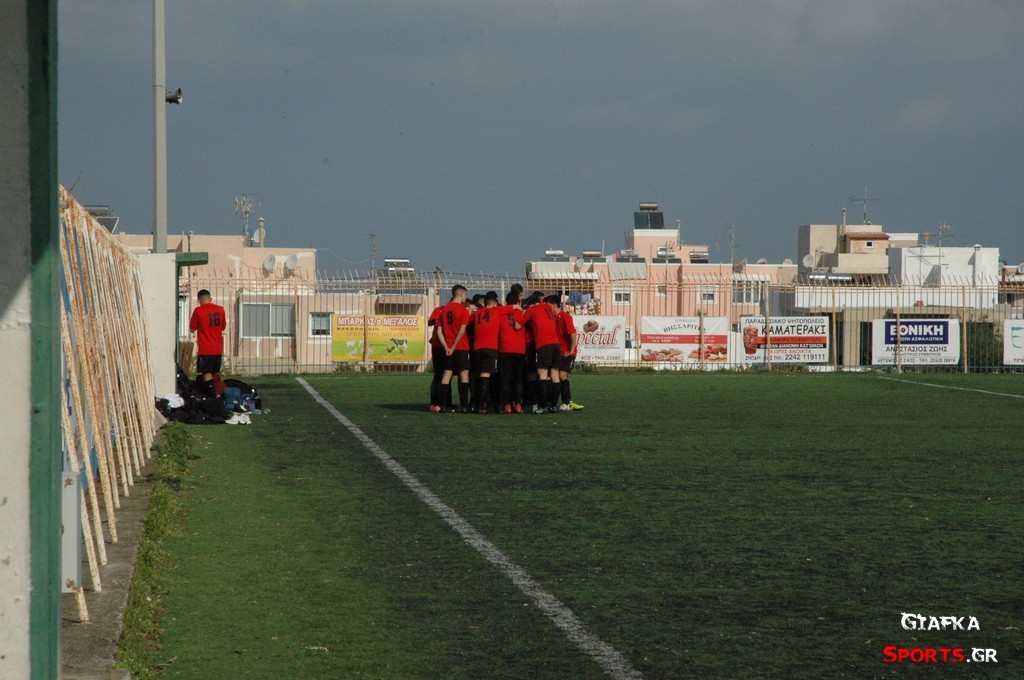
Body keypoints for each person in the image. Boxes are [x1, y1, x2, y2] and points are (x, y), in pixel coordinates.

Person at [522, 293, 562, 413]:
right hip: (555, 344)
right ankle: (553, 405)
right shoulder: (548, 308)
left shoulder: (533, 309)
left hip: (543, 344)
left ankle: (542, 406)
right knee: (555, 375)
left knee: (542, 374)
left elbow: (518, 325)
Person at [437, 284, 472, 412]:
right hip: (461, 347)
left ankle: (441, 405)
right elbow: (462, 331)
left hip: (447, 348)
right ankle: (464, 406)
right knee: (464, 374)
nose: (465, 297)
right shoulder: (463, 310)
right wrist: (453, 346)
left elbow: (439, 332)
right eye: (465, 295)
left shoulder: (444, 310)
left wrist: (447, 347)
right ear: (461, 295)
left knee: (446, 375)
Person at [188, 289, 226, 399]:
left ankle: (212, 398)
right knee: (215, 373)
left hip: (206, 349)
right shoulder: (220, 309)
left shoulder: (198, 311)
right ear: (210, 298)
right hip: (218, 348)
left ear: (199, 300)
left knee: (206, 373)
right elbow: (222, 326)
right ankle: (218, 394)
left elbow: (192, 328)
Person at [469, 291, 502, 413]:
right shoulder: (497, 311)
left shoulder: (477, 313)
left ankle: (481, 403)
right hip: (490, 347)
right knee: (486, 376)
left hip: (477, 348)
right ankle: (482, 405)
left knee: (479, 376)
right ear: (493, 304)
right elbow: (512, 307)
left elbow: (469, 319)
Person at [497, 290, 526, 413]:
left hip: (505, 348)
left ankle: (507, 405)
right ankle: (518, 404)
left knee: (505, 379)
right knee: (518, 379)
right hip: (519, 349)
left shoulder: (501, 313)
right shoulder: (523, 313)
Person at [555, 299, 584, 411]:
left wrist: (571, 350)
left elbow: (573, 333)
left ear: (554, 305)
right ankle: (566, 402)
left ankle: (566, 402)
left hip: (567, 352)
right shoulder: (552, 317)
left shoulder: (565, 316)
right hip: (558, 351)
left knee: (562, 375)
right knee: (558, 376)